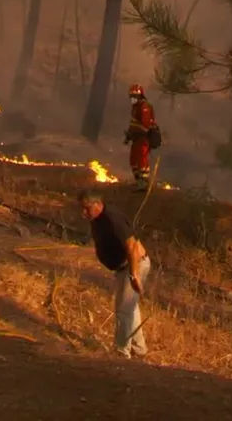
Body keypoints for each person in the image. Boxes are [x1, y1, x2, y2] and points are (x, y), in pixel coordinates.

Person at [78, 188, 152, 359]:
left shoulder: (113, 219)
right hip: (122, 267)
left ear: (97, 204)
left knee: (123, 310)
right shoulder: (97, 218)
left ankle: (121, 351)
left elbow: (132, 247)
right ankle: (139, 348)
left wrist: (134, 275)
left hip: (134, 264)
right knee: (130, 308)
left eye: (86, 208)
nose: (84, 213)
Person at [124, 84, 156, 191]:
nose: (132, 98)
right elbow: (133, 123)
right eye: (131, 96)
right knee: (133, 160)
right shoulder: (135, 107)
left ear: (140, 96)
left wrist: (134, 132)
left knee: (142, 160)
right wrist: (129, 135)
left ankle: (144, 183)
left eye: (135, 96)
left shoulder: (144, 107)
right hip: (136, 138)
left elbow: (145, 126)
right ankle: (138, 181)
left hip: (144, 138)